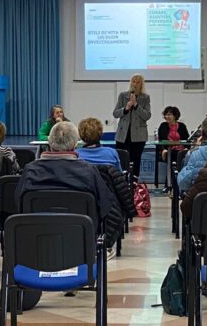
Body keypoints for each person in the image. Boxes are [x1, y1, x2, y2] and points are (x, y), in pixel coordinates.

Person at [16, 121, 123, 257]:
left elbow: (19, 205)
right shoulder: (88, 171)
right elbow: (105, 207)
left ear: (49, 142)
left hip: (37, 246)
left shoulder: (30, 171)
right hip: (80, 246)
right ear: (74, 145)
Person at [113, 74, 152, 182]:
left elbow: (147, 116)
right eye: (133, 81)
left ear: (141, 84)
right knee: (122, 160)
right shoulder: (123, 95)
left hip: (138, 136)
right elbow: (115, 113)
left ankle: (134, 184)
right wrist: (126, 108)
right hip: (123, 135)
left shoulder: (145, 98)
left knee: (135, 161)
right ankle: (122, 183)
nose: (135, 84)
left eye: (138, 82)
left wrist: (136, 105)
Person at [177, 116, 207, 192]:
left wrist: (194, 149)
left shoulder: (195, 153)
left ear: (202, 133)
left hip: (202, 201)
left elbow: (182, 183)